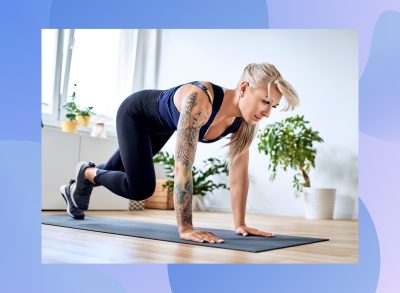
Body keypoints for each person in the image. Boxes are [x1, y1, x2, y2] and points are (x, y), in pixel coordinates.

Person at [59, 63, 299, 244]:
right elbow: (183, 165)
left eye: (273, 106)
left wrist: (241, 224)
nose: (267, 112)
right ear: (244, 88)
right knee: (141, 188)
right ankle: (86, 172)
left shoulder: (245, 122)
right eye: (265, 101)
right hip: (136, 114)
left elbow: (239, 174)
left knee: (116, 172)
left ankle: (77, 185)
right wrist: (186, 228)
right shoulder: (200, 102)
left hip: (163, 126)